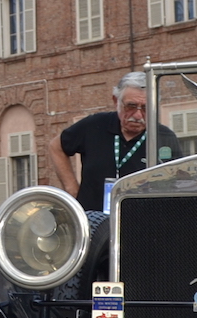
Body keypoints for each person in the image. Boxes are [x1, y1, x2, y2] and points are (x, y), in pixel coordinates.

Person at [47, 71, 183, 213]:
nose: (137, 115)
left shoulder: (165, 137)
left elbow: (176, 182)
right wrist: (72, 189)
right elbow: (56, 146)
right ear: (115, 101)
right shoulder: (94, 125)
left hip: (142, 221)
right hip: (94, 220)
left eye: (145, 108)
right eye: (131, 106)